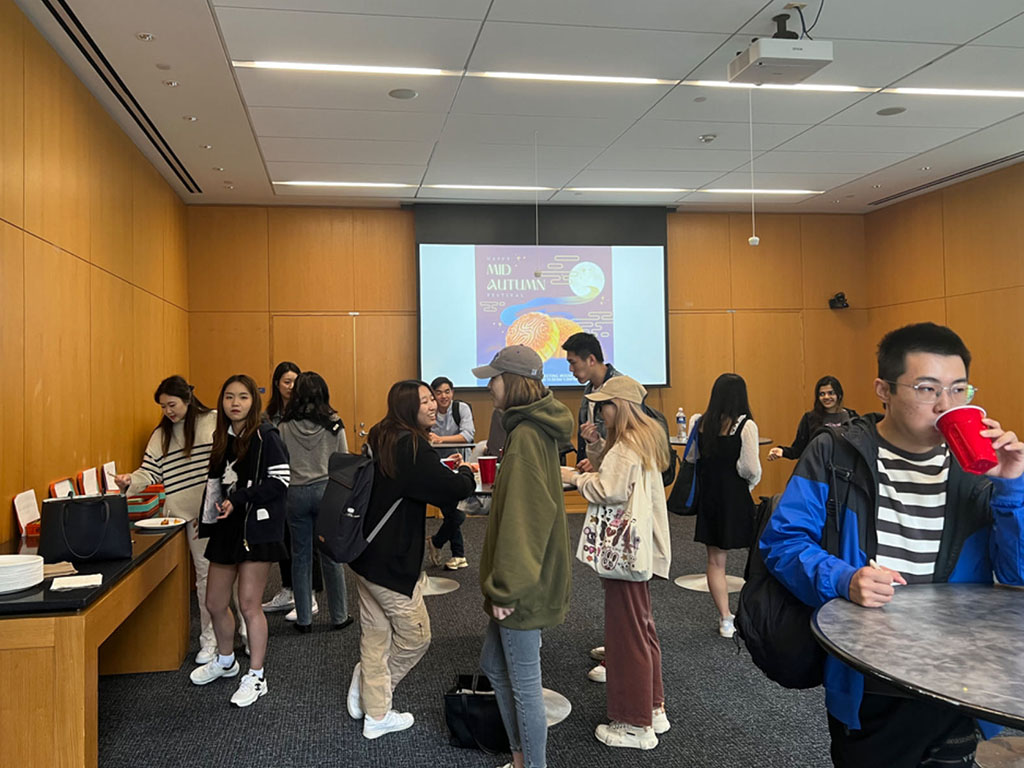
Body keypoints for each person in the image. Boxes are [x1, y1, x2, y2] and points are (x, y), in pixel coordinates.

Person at [761, 322, 1024, 768]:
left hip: (957, 676)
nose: (946, 405)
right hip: (871, 673)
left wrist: (1014, 487)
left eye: (959, 390)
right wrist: (844, 579)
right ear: (883, 389)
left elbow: (1017, 578)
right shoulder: (835, 454)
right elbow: (782, 542)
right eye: (927, 389)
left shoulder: (981, 470)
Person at [346, 380, 476, 740]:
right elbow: (452, 490)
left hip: (365, 553)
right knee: (416, 636)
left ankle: (375, 709)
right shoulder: (412, 446)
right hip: (391, 563)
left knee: (375, 635)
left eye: (433, 399)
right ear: (407, 408)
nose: (433, 405)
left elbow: (416, 482)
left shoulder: (382, 434)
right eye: (424, 401)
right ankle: (374, 694)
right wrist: (466, 470)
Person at [473, 345, 575, 768]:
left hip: (522, 585)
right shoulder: (528, 430)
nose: (488, 385)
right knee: (494, 668)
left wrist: (506, 588)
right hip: (525, 578)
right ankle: (520, 758)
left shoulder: (527, 438)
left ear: (511, 382)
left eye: (493, 378)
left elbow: (524, 521)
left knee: (524, 685)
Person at [562, 375, 672, 750]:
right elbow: (617, 475)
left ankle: (634, 723)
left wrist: (576, 479)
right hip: (640, 550)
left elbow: (608, 489)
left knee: (625, 636)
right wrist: (594, 450)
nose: (600, 411)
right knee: (641, 628)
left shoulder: (625, 445)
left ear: (619, 407)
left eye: (605, 405)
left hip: (624, 551)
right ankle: (653, 706)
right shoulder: (643, 439)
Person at [115, 375, 239, 664]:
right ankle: (209, 640)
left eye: (171, 404)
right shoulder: (161, 436)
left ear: (187, 399)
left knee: (233, 574)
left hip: (217, 512)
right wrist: (129, 480)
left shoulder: (213, 421)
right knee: (206, 576)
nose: (168, 411)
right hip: (185, 518)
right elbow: (149, 472)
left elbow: (229, 464)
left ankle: (240, 629)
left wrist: (219, 505)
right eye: (163, 407)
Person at [189, 374, 290, 708]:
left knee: (249, 604)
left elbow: (281, 481)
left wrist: (242, 498)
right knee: (215, 602)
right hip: (226, 529)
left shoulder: (265, 435)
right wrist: (205, 520)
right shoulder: (223, 437)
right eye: (229, 397)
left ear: (254, 401)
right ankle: (226, 660)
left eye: (243, 397)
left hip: (256, 530)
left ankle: (257, 676)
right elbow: (215, 484)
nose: (235, 403)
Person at [686, 373, 761, 639]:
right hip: (736, 498)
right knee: (755, 556)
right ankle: (755, 613)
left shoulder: (699, 422)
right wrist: (750, 484)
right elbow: (749, 468)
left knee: (715, 561)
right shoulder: (746, 426)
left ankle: (725, 618)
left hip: (710, 498)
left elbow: (693, 458)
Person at [278, 371, 351, 633]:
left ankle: (304, 619)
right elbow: (343, 460)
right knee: (331, 556)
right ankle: (340, 616)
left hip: (295, 494)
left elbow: (281, 463)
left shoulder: (284, 426)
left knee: (300, 556)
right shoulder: (334, 423)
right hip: (325, 492)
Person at [261, 361, 322, 619]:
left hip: (304, 485)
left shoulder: (309, 413)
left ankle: (309, 594)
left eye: (295, 382)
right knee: (284, 540)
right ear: (277, 383)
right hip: (279, 485)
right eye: (286, 381)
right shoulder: (270, 415)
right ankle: (288, 589)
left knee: (308, 542)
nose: (291, 387)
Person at [426, 376, 476, 570]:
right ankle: (455, 552)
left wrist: (441, 440)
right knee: (453, 512)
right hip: (437, 467)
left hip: (459, 464)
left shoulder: (460, 408)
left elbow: (467, 435)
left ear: (452, 393)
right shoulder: (429, 411)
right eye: (438, 393)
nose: (443, 396)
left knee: (455, 513)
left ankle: (443, 546)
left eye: (447, 391)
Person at [562, 332, 621, 473]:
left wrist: (597, 459)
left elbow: (629, 442)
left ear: (591, 360)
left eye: (573, 362)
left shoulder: (621, 389)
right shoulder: (589, 389)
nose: (570, 369)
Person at [768, 375, 858, 462]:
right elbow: (799, 449)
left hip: (846, 470)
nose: (826, 397)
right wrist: (782, 451)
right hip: (819, 471)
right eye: (822, 394)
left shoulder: (851, 417)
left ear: (839, 395)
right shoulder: (810, 419)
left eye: (831, 393)